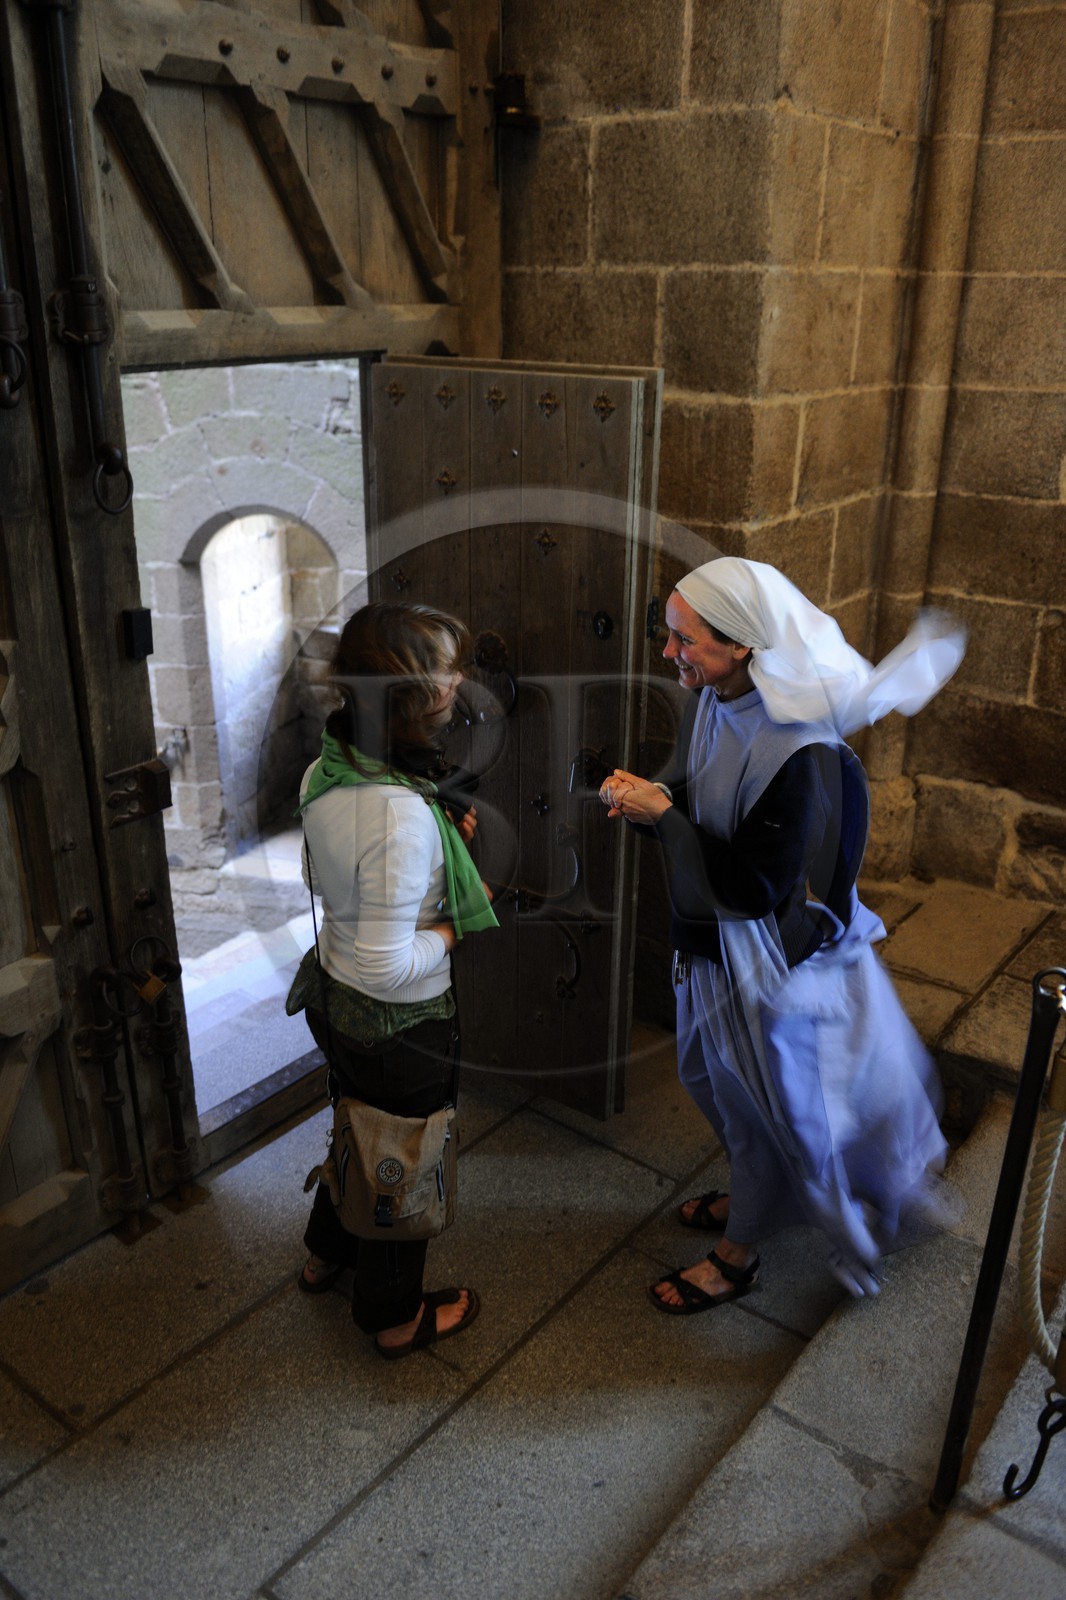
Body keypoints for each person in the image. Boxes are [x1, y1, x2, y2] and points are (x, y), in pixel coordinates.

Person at [600, 557, 966, 1310]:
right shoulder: (726, 698)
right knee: (716, 1086)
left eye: (684, 640)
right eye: (669, 636)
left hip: (768, 972)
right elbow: (716, 799)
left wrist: (663, 818)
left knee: (770, 1111)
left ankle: (739, 1256)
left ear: (741, 645)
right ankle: (756, 1195)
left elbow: (752, 889)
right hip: (717, 953)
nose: (668, 653)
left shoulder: (802, 753)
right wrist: (659, 799)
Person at [286, 600, 498, 1357]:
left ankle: (326, 1255)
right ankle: (393, 1318)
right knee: (403, 1158)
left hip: (333, 998)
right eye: (446, 672)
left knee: (354, 1122)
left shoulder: (327, 767)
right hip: (400, 1023)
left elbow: (324, 876)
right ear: (410, 699)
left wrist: (435, 843)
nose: (458, 681)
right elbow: (388, 963)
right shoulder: (401, 815)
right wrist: (457, 922)